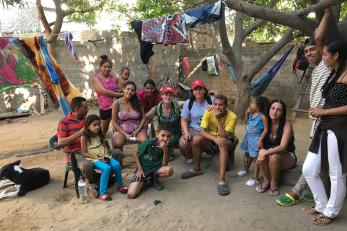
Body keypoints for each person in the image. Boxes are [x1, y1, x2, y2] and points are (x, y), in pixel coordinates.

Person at [302, 9, 347, 225]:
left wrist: (324, 112)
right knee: (309, 169)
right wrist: (328, 10)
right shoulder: (333, 70)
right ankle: (321, 204)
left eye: (326, 55)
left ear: (336, 55)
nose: (323, 57)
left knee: (337, 174)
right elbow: (319, 37)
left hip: (339, 128)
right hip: (324, 127)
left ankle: (331, 211)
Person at [276, 37, 331, 207]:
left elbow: (322, 34)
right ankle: (324, 192)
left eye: (312, 50)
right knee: (324, 158)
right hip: (316, 121)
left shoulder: (329, 66)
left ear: (322, 49)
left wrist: (327, 13)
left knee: (312, 160)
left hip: (328, 122)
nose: (308, 54)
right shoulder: (316, 70)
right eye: (306, 51)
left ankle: (296, 191)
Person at [181, 95, 237, 196]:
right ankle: (196, 169)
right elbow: (202, 131)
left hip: (226, 141)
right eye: (215, 104)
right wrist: (214, 139)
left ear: (226, 105)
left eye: (221, 105)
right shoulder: (208, 111)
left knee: (222, 144)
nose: (217, 107)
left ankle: (221, 180)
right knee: (196, 139)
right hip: (212, 139)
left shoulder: (232, 116)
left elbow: (223, 136)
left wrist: (218, 119)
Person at [81, 114, 128, 201]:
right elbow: (84, 153)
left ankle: (120, 186)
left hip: (103, 154)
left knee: (117, 164)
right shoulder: (84, 137)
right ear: (88, 126)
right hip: (93, 158)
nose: (97, 127)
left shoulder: (100, 134)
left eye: (98, 124)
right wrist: (98, 158)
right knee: (106, 168)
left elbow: (104, 146)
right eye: (94, 125)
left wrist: (106, 155)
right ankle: (102, 193)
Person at [56, 96, 97, 194]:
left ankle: (100, 181)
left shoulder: (87, 120)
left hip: (91, 149)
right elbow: (60, 142)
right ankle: (96, 183)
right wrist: (81, 132)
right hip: (75, 154)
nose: (88, 109)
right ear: (76, 109)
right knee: (88, 166)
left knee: (116, 154)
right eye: (85, 108)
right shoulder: (64, 122)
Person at [255, 100, 296, 196]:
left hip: (287, 156)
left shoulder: (287, 124)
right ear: (269, 109)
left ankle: (274, 183)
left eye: (279, 110)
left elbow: (282, 147)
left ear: (283, 113)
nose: (275, 112)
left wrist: (265, 152)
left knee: (273, 156)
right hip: (269, 154)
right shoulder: (265, 122)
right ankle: (266, 180)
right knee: (264, 153)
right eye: (273, 108)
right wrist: (262, 151)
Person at [127, 123, 174, 199]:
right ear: (157, 134)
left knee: (169, 170)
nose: (165, 139)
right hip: (143, 170)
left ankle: (152, 179)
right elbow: (135, 152)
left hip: (155, 169)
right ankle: (146, 180)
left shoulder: (168, 145)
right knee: (131, 194)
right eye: (163, 135)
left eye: (168, 136)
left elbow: (164, 165)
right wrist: (139, 170)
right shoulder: (148, 143)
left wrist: (165, 151)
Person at [179, 79, 213, 164]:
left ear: (204, 90)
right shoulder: (189, 102)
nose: (198, 91)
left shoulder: (212, 100)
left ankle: (208, 150)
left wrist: (214, 109)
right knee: (183, 144)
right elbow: (184, 119)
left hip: (209, 130)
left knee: (209, 142)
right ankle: (190, 154)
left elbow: (222, 111)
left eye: (200, 89)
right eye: (195, 89)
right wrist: (186, 132)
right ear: (192, 91)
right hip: (194, 130)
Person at [238, 96, 269, 187]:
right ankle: (245, 169)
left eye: (252, 103)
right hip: (248, 138)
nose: (250, 104)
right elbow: (247, 122)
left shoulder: (262, 117)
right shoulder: (252, 114)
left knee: (256, 158)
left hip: (255, 139)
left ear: (259, 106)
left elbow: (266, 129)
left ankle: (255, 178)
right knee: (246, 154)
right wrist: (246, 113)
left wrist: (260, 139)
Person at [145, 86, 181, 160]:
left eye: (170, 95)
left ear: (172, 96)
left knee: (169, 142)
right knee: (161, 138)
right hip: (162, 134)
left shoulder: (176, 108)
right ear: (162, 96)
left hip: (174, 135)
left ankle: (169, 152)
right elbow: (146, 117)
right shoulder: (157, 108)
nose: (168, 97)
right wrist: (146, 131)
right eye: (166, 94)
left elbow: (183, 120)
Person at [111, 81, 147, 150]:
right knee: (117, 143)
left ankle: (140, 157)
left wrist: (138, 130)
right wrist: (125, 134)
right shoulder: (117, 103)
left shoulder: (138, 103)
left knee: (144, 142)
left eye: (132, 90)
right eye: (128, 89)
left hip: (137, 129)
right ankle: (119, 158)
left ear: (134, 92)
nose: (130, 91)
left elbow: (143, 118)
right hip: (121, 130)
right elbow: (114, 122)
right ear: (123, 89)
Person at [92, 55, 123, 134]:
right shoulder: (96, 79)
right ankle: (101, 144)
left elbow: (121, 86)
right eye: (104, 66)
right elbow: (104, 91)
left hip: (117, 105)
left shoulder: (113, 77)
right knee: (103, 130)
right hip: (106, 107)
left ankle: (116, 144)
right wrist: (120, 94)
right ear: (100, 67)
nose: (107, 69)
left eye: (109, 67)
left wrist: (121, 89)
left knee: (118, 127)